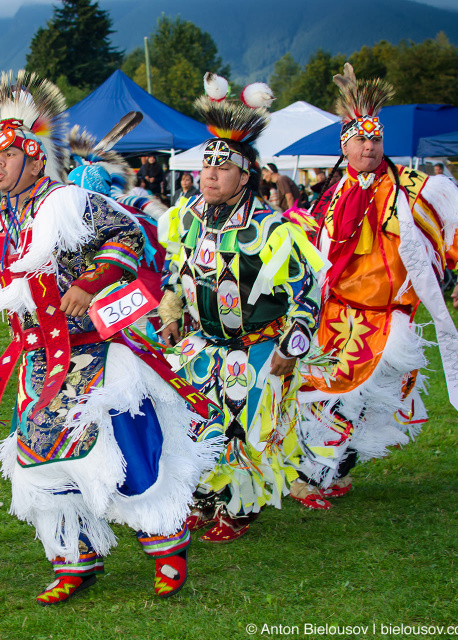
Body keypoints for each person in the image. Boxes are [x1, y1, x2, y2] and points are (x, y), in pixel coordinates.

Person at [0, 70, 217, 605]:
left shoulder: (70, 201)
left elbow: (129, 239)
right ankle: (74, 559)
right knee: (43, 459)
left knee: (124, 450)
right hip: (34, 360)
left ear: (32, 157)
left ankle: (167, 545)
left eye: (7, 156)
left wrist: (91, 284)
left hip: (92, 351)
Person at [294, 64, 458, 502]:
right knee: (326, 398)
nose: (371, 147)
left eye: (376, 139)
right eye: (361, 139)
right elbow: (306, 243)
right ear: (346, 145)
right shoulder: (331, 194)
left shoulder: (415, 189)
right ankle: (323, 474)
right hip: (335, 316)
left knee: (361, 402)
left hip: (385, 322)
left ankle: (322, 474)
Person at [158, 73, 327, 540]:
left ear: (244, 174)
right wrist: (171, 314)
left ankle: (240, 506)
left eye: (223, 167)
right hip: (203, 345)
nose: (210, 174)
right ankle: (204, 497)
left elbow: (308, 291)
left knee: (242, 430)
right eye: (207, 165)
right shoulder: (189, 217)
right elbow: (179, 272)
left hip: (255, 348)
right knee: (195, 424)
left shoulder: (272, 228)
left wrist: (290, 349)